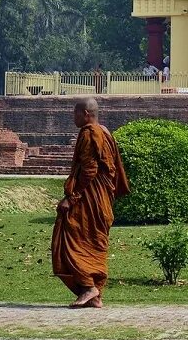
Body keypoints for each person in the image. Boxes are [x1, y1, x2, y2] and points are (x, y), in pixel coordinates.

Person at [52, 98, 130, 308]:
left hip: (89, 198)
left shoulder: (90, 133)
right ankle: (95, 295)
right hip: (101, 198)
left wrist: (72, 198)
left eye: (76, 113)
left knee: (73, 236)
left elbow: (89, 170)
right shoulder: (105, 132)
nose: (73, 118)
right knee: (94, 241)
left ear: (86, 114)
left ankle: (88, 286)